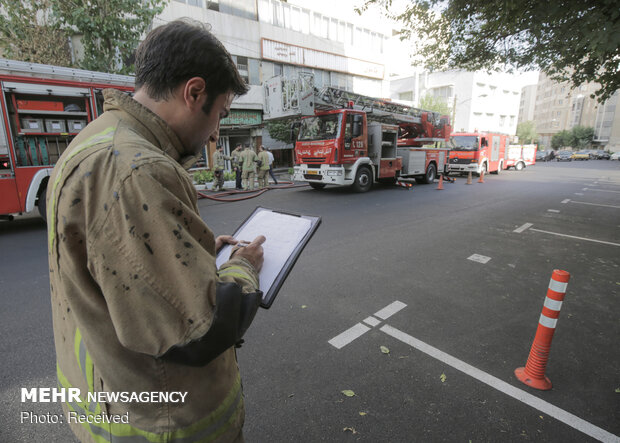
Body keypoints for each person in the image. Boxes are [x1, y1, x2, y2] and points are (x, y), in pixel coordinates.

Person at [46, 19, 265, 443]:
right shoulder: (136, 169)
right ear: (194, 92)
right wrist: (243, 268)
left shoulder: (98, 139)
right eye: (219, 114)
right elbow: (201, 328)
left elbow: (121, 266)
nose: (216, 132)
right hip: (163, 422)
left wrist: (200, 252)